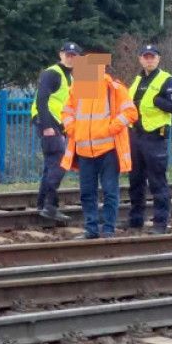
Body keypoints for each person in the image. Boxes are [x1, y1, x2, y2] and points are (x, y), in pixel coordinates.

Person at [59, 46, 137, 239]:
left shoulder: (114, 88)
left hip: (108, 150)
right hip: (85, 151)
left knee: (110, 192)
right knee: (87, 193)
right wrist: (72, 130)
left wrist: (111, 128)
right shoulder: (79, 88)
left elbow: (131, 113)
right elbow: (67, 112)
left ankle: (108, 229)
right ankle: (92, 229)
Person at [126, 44, 172, 235]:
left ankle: (160, 223)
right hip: (135, 136)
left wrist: (157, 101)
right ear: (140, 59)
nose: (149, 60)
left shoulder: (167, 80)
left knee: (157, 182)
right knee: (135, 181)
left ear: (158, 59)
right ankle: (135, 221)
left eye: (152, 57)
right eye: (145, 57)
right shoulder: (137, 80)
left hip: (155, 138)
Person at [31, 42, 82, 224]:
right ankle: (50, 206)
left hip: (57, 126)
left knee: (51, 165)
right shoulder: (52, 73)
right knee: (60, 163)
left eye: (74, 56)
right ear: (61, 54)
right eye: (67, 54)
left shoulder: (71, 77)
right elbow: (41, 100)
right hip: (48, 123)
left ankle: (42, 204)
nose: (70, 58)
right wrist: (47, 126)